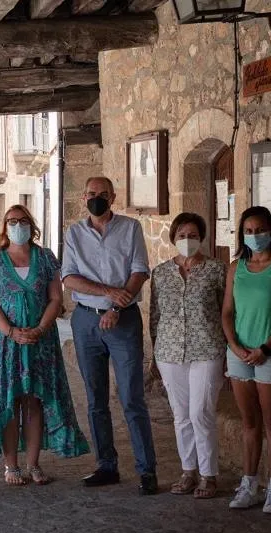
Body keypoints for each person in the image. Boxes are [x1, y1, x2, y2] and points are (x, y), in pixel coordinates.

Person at [0, 205, 89, 485]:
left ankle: (33, 464)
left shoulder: (45, 258)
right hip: (4, 342)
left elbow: (55, 299)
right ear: (4, 227)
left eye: (22, 220)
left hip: (40, 341)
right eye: (12, 221)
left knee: (34, 402)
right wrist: (10, 331)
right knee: (10, 403)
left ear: (31, 225)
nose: (17, 225)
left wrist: (40, 329)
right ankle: (11, 466)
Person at [62, 176, 158, 495]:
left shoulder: (130, 229)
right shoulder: (74, 233)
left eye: (102, 194)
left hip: (124, 320)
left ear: (113, 197)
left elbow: (140, 270)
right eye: (91, 194)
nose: (96, 199)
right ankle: (106, 465)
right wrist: (107, 294)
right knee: (95, 399)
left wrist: (119, 304)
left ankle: (147, 470)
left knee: (132, 398)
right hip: (87, 321)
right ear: (83, 197)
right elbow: (70, 278)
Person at [222, 206, 271, 514]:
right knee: (249, 422)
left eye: (260, 230)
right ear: (243, 234)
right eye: (249, 231)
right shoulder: (235, 267)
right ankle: (249, 484)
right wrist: (234, 345)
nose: (255, 236)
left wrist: (265, 348)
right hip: (240, 354)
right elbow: (228, 312)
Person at [150, 213, 227, 499]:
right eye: (182, 235)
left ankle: (209, 475)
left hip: (208, 349)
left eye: (193, 235)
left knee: (201, 413)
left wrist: (230, 350)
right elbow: (155, 316)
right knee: (181, 416)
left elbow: (226, 312)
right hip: (169, 352)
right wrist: (154, 355)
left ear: (202, 238)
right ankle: (188, 471)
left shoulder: (217, 270)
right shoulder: (160, 273)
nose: (187, 240)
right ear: (173, 238)